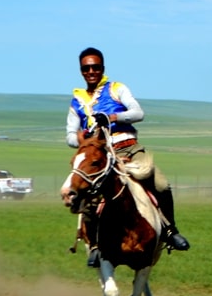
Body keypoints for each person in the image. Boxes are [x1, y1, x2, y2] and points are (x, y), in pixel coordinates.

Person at [62, 47, 190, 264]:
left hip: (128, 148)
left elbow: (138, 113)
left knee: (160, 183)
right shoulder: (77, 101)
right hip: (99, 155)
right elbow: (69, 136)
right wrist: (82, 138)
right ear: (81, 71)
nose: (91, 71)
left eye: (95, 67)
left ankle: (170, 231)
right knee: (89, 196)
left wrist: (112, 117)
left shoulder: (116, 89)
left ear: (102, 68)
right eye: (86, 68)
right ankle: (94, 245)